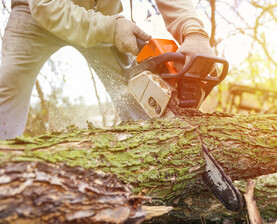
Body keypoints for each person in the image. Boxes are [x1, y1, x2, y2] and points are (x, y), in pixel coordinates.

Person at [0, 0, 215, 140]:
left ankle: (158, 150)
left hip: (104, 15)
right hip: (36, 14)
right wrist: (109, 28)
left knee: (138, 90)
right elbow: (45, 6)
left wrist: (193, 31)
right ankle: (6, 164)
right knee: (10, 82)